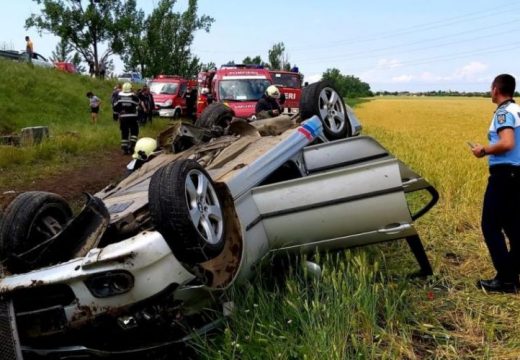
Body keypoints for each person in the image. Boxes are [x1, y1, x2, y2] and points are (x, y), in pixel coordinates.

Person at [471, 74, 520, 293]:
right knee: (513, 226)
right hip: (517, 174)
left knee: (490, 225)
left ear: (495, 89)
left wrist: (483, 150)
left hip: (504, 175)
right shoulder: (517, 110)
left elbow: (507, 143)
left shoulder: (503, 113)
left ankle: (506, 280)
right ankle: (513, 273)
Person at [113, 82, 141, 155]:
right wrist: (134, 94)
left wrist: (115, 116)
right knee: (134, 131)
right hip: (132, 117)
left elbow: (115, 107)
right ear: (130, 89)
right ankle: (132, 145)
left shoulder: (118, 97)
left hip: (123, 117)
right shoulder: (133, 97)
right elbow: (138, 103)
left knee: (124, 132)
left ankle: (124, 148)